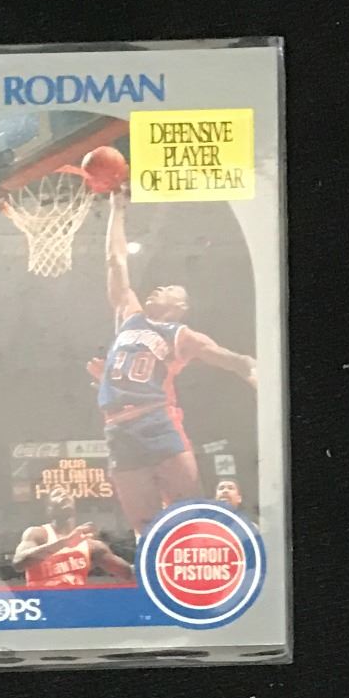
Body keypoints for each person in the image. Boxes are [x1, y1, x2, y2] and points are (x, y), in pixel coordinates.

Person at [92, 191, 257, 535]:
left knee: (188, 515)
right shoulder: (129, 316)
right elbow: (115, 261)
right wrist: (117, 209)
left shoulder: (181, 335)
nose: (157, 289)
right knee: (145, 528)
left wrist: (251, 370)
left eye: (168, 288)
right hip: (117, 428)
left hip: (156, 421)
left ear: (180, 306)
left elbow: (228, 358)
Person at [12, 487, 133, 590]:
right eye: (57, 494)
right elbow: (18, 562)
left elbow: (129, 573)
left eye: (68, 494)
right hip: (43, 605)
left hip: (74, 605)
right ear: (49, 508)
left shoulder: (91, 546)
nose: (64, 495)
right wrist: (65, 542)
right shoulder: (37, 534)